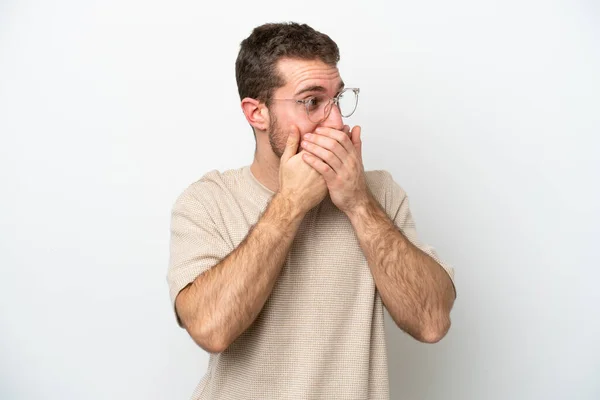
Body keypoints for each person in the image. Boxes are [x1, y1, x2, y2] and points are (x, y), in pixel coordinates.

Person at [167, 22, 456, 400]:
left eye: (337, 99)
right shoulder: (207, 201)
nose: (335, 121)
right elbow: (210, 329)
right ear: (257, 113)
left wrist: (358, 203)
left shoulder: (378, 193)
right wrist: (289, 205)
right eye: (311, 102)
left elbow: (432, 322)